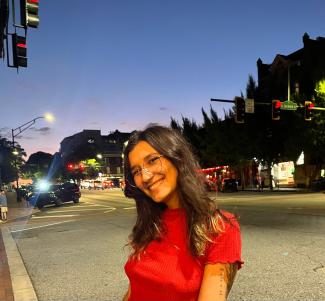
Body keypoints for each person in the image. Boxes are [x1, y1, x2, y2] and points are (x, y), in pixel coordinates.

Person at [122, 125, 243, 301]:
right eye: (136, 171)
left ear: (177, 157)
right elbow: (136, 287)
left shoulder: (219, 227)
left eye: (152, 160)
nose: (145, 177)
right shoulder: (150, 224)